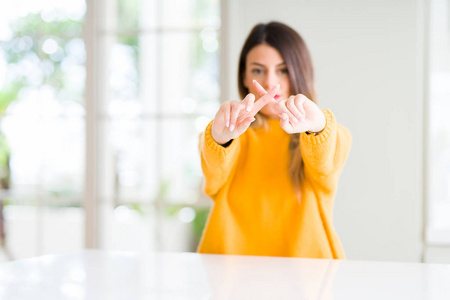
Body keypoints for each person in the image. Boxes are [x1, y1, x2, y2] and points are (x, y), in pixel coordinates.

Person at [198, 21, 352, 259]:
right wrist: (219, 138)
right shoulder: (229, 133)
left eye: (282, 70)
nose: (270, 82)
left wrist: (317, 125)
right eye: (258, 70)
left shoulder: (329, 133)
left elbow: (325, 167)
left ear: (299, 73)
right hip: (229, 269)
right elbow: (213, 180)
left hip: (307, 275)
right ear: (245, 77)